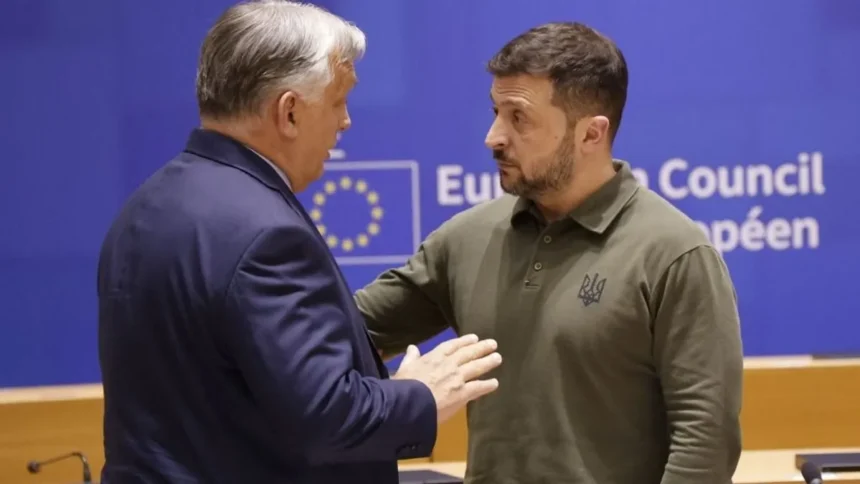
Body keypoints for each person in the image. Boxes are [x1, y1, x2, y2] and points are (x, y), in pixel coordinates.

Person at [96, 2, 502, 483]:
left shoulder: (146, 205)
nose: (345, 121)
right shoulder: (267, 236)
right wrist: (422, 394)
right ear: (289, 112)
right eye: (338, 102)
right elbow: (330, 419)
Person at [355, 21, 744, 484]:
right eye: (496, 112)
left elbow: (705, 441)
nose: (493, 136)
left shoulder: (676, 254)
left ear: (591, 134)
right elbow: (341, 331)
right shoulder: (466, 237)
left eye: (518, 117)